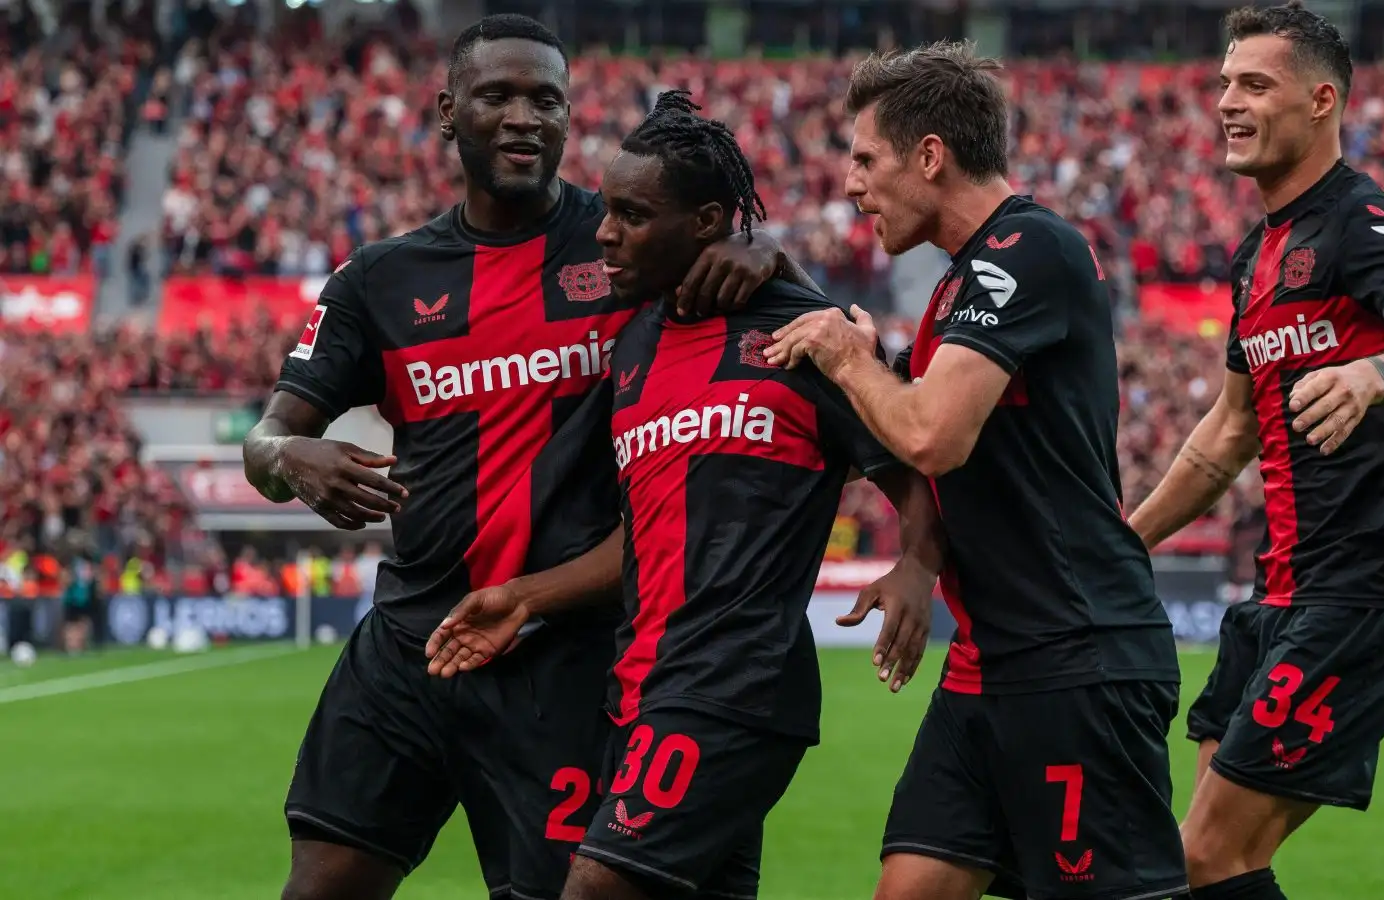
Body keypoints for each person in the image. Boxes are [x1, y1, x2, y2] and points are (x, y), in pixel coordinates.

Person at [242, 16, 813, 900]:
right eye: (498, 96)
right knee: (319, 885)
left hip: (563, 655)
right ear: (445, 113)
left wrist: (761, 251)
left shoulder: (627, 242)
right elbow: (265, 440)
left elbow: (765, 295)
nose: (523, 118)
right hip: (410, 643)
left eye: (546, 100)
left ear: (569, 118)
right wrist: (293, 458)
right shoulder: (378, 280)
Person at [427, 90, 945, 900]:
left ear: (707, 223)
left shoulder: (802, 335)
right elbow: (641, 537)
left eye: (632, 216)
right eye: (607, 211)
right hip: (636, 689)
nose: (605, 233)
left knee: (594, 888)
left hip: (733, 686)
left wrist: (917, 565)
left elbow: (911, 459)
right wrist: (523, 597)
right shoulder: (631, 344)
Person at [765, 41, 1187, 900]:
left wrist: (849, 358)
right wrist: (920, 562)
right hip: (989, 663)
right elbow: (963, 456)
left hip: (1078, 657)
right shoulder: (960, 286)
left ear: (930, 156)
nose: (851, 185)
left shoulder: (1027, 250)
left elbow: (933, 436)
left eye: (865, 159)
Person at [1124, 5, 1384, 899]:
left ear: (1321, 100)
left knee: (1206, 853)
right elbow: (1228, 431)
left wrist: (1372, 377)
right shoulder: (1256, 256)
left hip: (1369, 585)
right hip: (1279, 591)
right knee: (1203, 863)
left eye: (1254, 84)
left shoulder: (1368, 220)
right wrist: (1126, 539)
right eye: (1223, 85)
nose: (1227, 104)